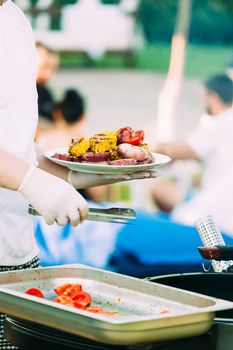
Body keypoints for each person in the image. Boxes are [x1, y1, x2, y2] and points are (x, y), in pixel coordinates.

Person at [0, 1, 157, 348]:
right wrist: (30, 181)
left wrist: (75, 174)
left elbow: (15, 147)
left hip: (17, 259)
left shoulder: (15, 20)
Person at [152, 74, 233, 229]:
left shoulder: (219, 124)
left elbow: (173, 153)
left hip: (218, 212)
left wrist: (157, 148)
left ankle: (176, 232)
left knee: (160, 191)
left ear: (213, 97)